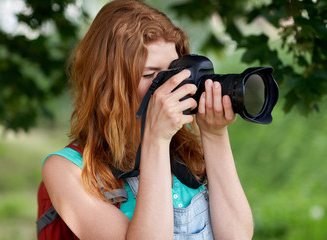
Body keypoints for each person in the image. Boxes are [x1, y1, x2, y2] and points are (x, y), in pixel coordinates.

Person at [41, 0, 254, 239]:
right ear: (106, 84)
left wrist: (214, 135)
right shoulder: (66, 170)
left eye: (173, 71)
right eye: (149, 74)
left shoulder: (187, 154)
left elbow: (237, 236)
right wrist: (155, 140)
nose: (167, 85)